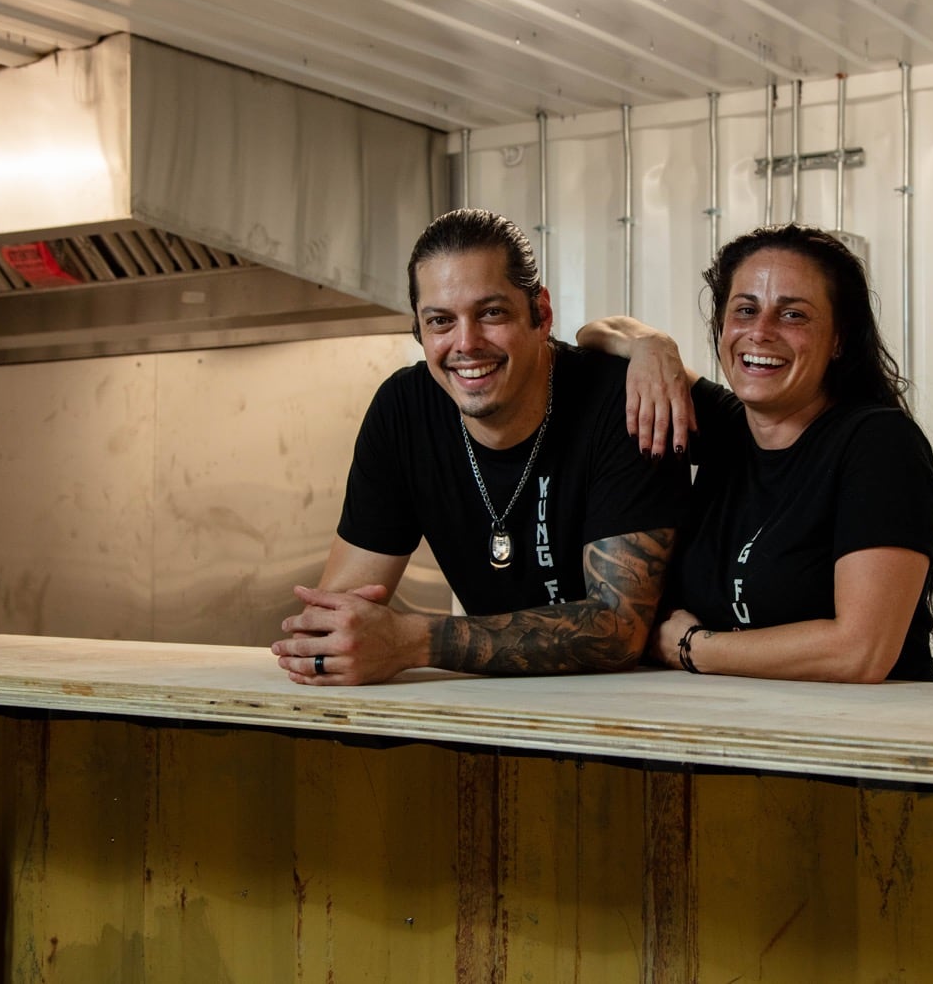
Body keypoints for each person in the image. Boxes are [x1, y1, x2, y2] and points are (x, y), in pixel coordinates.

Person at [272, 209, 688, 686]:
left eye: (491, 313)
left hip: (653, 708)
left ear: (541, 314)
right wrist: (336, 643)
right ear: (420, 331)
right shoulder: (403, 411)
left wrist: (411, 640)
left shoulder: (625, 401)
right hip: (497, 706)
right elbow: (338, 615)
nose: (466, 344)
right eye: (441, 321)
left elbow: (617, 632)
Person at [577, 224, 933, 683]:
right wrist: (652, 347)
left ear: (839, 338)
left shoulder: (879, 445)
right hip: (751, 733)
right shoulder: (725, 425)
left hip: (865, 739)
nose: (760, 332)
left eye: (793, 315)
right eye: (745, 310)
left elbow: (860, 652)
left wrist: (695, 647)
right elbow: (594, 333)